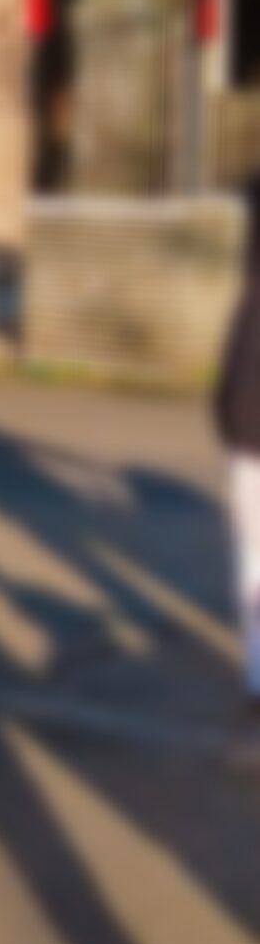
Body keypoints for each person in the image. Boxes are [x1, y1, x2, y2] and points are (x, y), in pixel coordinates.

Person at [213, 171, 260, 703]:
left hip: (249, 428)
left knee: (253, 554)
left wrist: (227, 419)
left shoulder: (251, 300)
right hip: (248, 425)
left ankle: (258, 673)